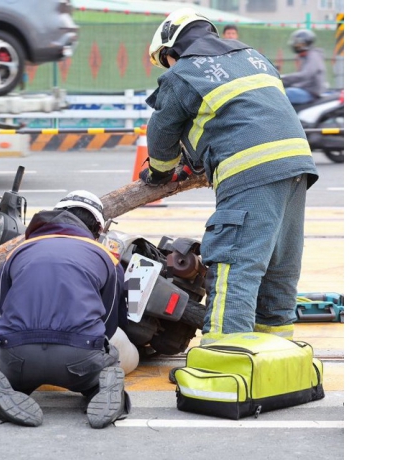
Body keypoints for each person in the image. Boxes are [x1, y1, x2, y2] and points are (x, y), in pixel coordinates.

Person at [141, 9, 319, 355]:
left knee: (235, 264)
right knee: (277, 266)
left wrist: (161, 172)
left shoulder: (183, 73)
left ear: (171, 51)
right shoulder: (254, 58)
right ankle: (275, 357)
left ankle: (226, 361)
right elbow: (242, 113)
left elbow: (162, 132)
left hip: (251, 170)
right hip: (296, 165)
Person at [0, 191, 131, 429]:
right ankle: (100, 388)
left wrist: (12, 348)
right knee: (108, 362)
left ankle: (1, 389)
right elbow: (109, 323)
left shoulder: (18, 251)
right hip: (79, 358)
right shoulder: (105, 257)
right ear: (98, 228)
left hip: (18, 357)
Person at [280, 29, 327, 105]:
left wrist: (282, 78)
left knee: (281, 95)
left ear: (305, 43)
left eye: (297, 43)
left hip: (310, 93)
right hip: (306, 90)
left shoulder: (313, 56)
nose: (295, 45)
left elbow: (305, 75)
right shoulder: (306, 56)